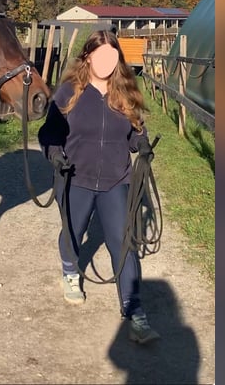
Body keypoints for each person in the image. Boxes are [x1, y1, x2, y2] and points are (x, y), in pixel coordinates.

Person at [38, 29, 160, 344]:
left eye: (112, 55)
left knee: (123, 242)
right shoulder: (68, 93)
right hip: (76, 176)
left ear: (117, 58)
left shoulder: (125, 94)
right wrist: (54, 154)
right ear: (88, 56)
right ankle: (70, 271)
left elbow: (133, 133)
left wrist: (142, 144)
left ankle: (134, 310)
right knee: (73, 232)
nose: (106, 61)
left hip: (116, 180)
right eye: (100, 54)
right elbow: (49, 134)